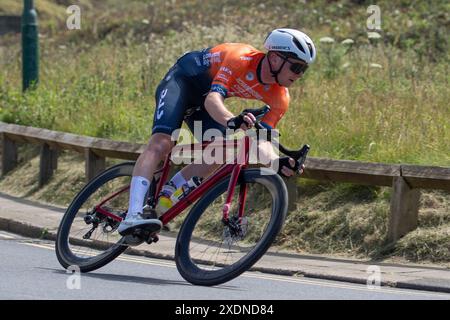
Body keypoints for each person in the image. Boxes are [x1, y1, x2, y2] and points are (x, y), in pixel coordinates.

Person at [118, 28, 317, 236]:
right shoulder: (240, 57)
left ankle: (165, 196)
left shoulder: (280, 98)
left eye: (304, 69)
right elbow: (212, 100)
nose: (299, 75)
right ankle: (132, 215)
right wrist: (232, 120)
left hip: (204, 101)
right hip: (182, 82)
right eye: (296, 67)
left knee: (222, 150)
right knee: (162, 144)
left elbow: (262, 139)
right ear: (275, 59)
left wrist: (277, 161)